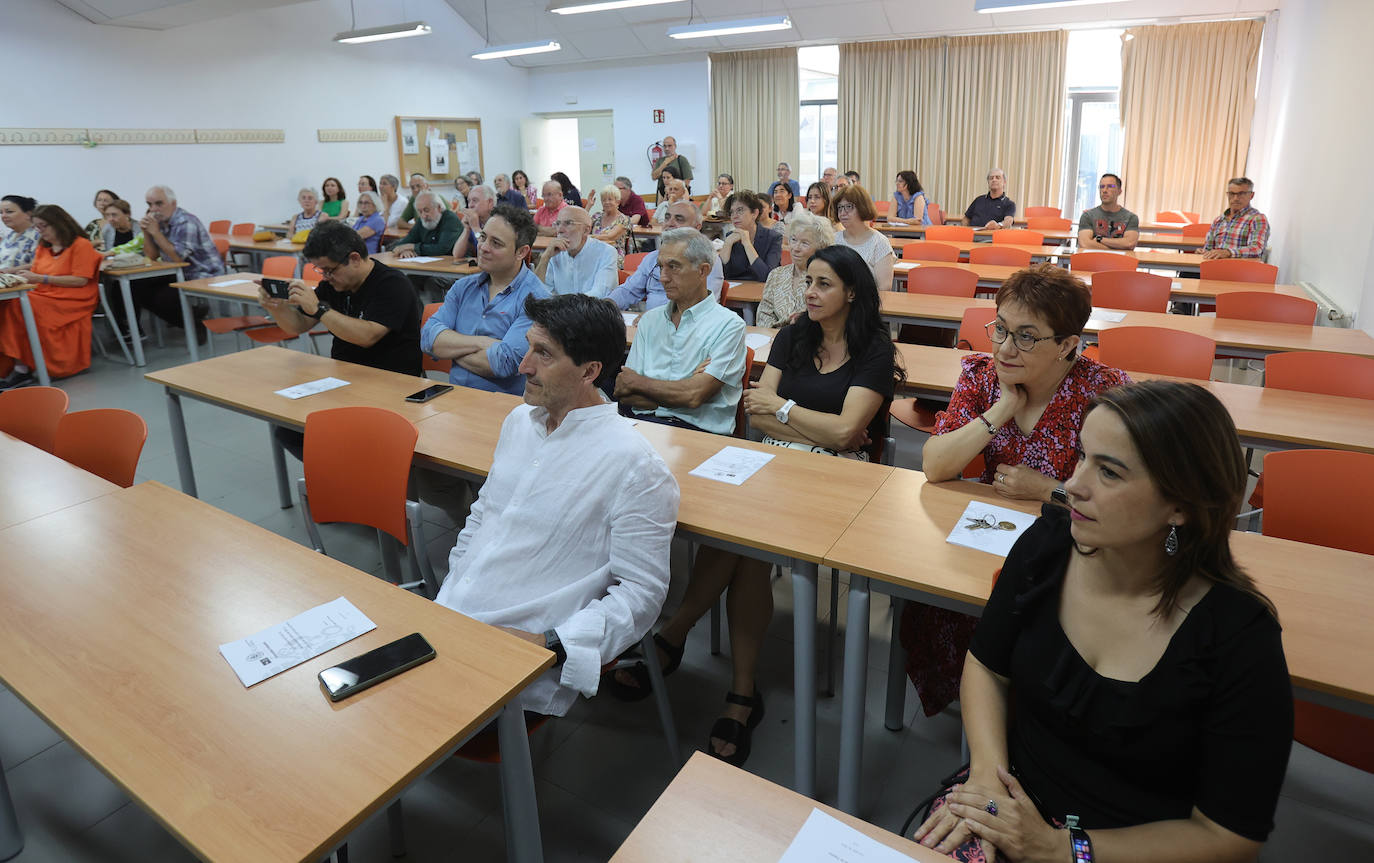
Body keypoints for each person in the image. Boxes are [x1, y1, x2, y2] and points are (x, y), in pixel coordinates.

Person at [912, 380, 1292, 863]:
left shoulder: (1238, 637)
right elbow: (987, 665)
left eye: (1109, 473)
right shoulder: (1045, 548)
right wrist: (987, 776)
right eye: (1081, 457)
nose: (1072, 485)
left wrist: (1061, 849)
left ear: (1181, 505)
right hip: (1012, 802)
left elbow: (1229, 836)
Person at [609, 244, 901, 766]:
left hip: (842, 478)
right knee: (746, 539)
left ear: (852, 292)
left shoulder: (876, 350)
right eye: (808, 281)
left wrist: (787, 409)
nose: (809, 292)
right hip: (777, 461)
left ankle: (675, 635)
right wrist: (799, 422)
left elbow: (846, 431)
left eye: (824, 284)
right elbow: (755, 414)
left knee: (748, 537)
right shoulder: (792, 336)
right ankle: (742, 691)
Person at [904, 263, 1132, 720]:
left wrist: (1049, 491)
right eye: (1001, 330)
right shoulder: (984, 376)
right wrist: (1003, 408)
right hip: (991, 538)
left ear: (1068, 344)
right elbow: (934, 465)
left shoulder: (1105, 393)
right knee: (928, 593)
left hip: (1076, 551)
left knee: (1034, 620)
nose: (1006, 348)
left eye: (1027, 337)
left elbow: (1122, 509)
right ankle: (977, 704)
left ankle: (1027, 717)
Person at [434, 292, 679, 717]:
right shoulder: (519, 422)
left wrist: (552, 642)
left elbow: (642, 592)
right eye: (528, 346)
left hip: (520, 652)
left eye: (542, 354)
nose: (522, 365)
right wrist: (453, 589)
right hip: (448, 620)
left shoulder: (634, 465)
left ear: (590, 371)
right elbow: (484, 517)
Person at [256, 220, 422, 457]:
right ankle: (341, 476)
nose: (326, 277)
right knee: (289, 429)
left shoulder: (392, 284)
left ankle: (350, 476)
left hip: (391, 384)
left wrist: (320, 309)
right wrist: (276, 307)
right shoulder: (333, 286)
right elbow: (298, 325)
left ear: (354, 258)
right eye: (321, 271)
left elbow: (367, 335)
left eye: (330, 270)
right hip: (345, 379)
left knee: (332, 437)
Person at [614, 227, 746, 434]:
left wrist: (639, 383)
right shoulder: (650, 321)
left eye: (673, 267)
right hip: (643, 426)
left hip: (696, 434)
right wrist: (681, 389)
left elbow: (694, 395)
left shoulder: (729, 325)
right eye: (660, 267)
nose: (663, 277)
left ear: (703, 271)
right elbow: (624, 391)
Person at [421, 204, 549, 395]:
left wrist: (451, 350)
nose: (483, 247)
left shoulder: (536, 299)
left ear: (521, 252)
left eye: (496, 243)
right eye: (483, 237)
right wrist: (482, 343)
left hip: (502, 407)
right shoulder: (463, 287)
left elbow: (504, 363)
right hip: (453, 396)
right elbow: (428, 339)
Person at [0, 204, 101, 386]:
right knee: (7, 304)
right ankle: (18, 365)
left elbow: (80, 280)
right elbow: (36, 277)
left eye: (43, 226)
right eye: (37, 227)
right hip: (45, 293)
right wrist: (16, 279)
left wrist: (39, 278)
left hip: (73, 298)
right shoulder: (43, 247)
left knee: (17, 305)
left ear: (59, 224)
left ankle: (22, 368)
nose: (40, 231)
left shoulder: (81, 245)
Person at [140, 184, 224, 335]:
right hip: (178, 272)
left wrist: (156, 233)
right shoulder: (159, 223)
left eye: (159, 203)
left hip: (203, 273)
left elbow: (178, 258)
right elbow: (152, 256)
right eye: (149, 205)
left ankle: (195, 326)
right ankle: (193, 317)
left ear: (173, 204)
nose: (153, 209)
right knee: (139, 288)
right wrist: (146, 232)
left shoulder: (186, 222)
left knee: (163, 297)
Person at [609, 201, 724, 311]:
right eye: (667, 217)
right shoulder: (653, 258)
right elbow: (628, 291)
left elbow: (702, 305)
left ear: (697, 227)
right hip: (650, 324)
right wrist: (604, 306)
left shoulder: (707, 259)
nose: (670, 223)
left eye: (679, 219)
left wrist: (657, 317)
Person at [757, 210, 834, 328]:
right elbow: (763, 315)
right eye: (793, 240)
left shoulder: (825, 280)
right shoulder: (776, 274)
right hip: (774, 339)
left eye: (805, 243)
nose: (795, 248)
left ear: (820, 248)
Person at [534, 206, 619, 299]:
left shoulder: (606, 253)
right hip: (559, 311)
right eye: (557, 224)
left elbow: (599, 294)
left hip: (592, 312)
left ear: (586, 230)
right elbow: (538, 293)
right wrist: (545, 258)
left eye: (568, 223)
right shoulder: (554, 253)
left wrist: (562, 305)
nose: (560, 230)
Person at [832, 184, 895, 291]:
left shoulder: (879, 242)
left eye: (848, 207)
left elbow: (884, 287)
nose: (842, 213)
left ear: (862, 208)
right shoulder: (833, 240)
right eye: (840, 208)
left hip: (867, 303)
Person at [717, 191, 782, 281]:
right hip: (736, 292)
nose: (734, 216)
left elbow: (767, 277)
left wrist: (747, 244)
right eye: (732, 212)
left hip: (761, 291)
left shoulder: (773, 238)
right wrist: (727, 244)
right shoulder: (730, 237)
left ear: (754, 213)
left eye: (740, 210)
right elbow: (720, 276)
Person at [1202, 177, 1270, 260]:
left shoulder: (1257, 219)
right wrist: (1203, 252)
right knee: (1187, 272)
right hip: (1214, 264)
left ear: (1251, 195)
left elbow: (1256, 249)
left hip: (1239, 268)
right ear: (1227, 194)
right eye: (1232, 194)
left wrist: (1228, 252)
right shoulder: (1219, 220)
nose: (1235, 198)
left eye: (1241, 194)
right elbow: (1208, 248)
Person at [390, 190, 462, 259]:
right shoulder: (422, 221)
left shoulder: (450, 219)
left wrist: (412, 247)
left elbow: (442, 249)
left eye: (426, 210)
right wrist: (405, 250)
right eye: (420, 211)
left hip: (454, 263)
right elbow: (401, 245)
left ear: (439, 208)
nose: (424, 216)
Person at [1077, 173, 1139, 251]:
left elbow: (1129, 243)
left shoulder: (1131, 218)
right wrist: (1118, 248)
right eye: (1101, 187)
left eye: (1110, 186)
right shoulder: (1087, 216)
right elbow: (1085, 243)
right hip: (1093, 261)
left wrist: (1100, 239)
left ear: (1119, 191)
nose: (1104, 190)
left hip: (1119, 262)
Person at [450, 184, 497, 259]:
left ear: (490, 203)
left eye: (475, 200)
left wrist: (475, 228)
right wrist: (467, 229)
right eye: (469, 201)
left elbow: (490, 251)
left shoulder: (500, 221)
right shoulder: (475, 221)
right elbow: (457, 254)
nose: (470, 205)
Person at [591, 184, 632, 268]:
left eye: (610, 199)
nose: (606, 202)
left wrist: (589, 237)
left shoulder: (624, 219)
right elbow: (581, 227)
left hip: (613, 256)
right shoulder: (596, 216)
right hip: (594, 253)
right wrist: (588, 206)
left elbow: (610, 237)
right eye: (603, 200)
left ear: (618, 202)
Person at [0, 195, 40, 270]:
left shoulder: (39, 236)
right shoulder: (9, 236)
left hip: (23, 279)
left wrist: (11, 271)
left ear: (28, 214)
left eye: (9, 212)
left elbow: (39, 264)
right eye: (1, 212)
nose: (3, 216)